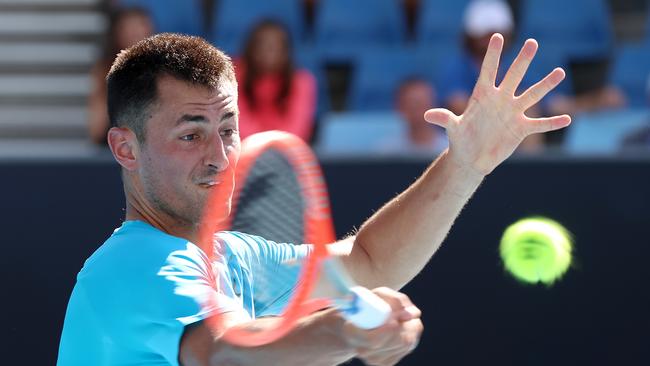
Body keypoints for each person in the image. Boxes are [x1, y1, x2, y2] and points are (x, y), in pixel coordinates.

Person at [57, 30, 570, 365]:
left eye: (229, 129)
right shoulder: (132, 265)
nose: (220, 155)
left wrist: (465, 164)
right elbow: (226, 352)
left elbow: (368, 261)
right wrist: (343, 331)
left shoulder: (235, 258)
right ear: (126, 146)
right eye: (191, 134)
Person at [439, 0, 544, 153]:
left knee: (528, 106)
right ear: (470, 35)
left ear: (508, 34)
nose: (490, 39)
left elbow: (551, 103)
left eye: (496, 33)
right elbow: (458, 105)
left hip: (512, 143)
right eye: (484, 33)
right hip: (469, 147)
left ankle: (531, 168)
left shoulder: (518, 65)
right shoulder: (456, 67)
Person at [236, 20, 317, 142]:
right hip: (243, 154)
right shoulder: (232, 77)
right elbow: (236, 124)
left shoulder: (303, 81)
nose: (269, 50)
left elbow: (297, 131)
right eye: (262, 45)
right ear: (250, 49)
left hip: (287, 156)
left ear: (287, 52)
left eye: (276, 46)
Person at [87, 7, 154, 144]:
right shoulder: (105, 70)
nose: (136, 33)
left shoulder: (163, 69)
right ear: (117, 33)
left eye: (141, 25)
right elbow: (96, 130)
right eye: (130, 28)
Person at [378, 78, 448, 155]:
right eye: (412, 105)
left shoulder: (450, 149)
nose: (417, 111)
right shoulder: (385, 152)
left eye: (421, 104)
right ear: (399, 107)